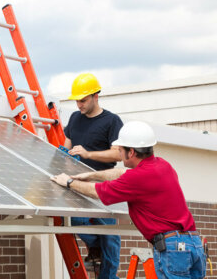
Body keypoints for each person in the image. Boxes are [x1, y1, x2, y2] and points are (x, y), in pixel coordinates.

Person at [52, 121, 206, 278]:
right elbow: (121, 173)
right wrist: (91, 175)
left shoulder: (137, 178)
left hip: (173, 249)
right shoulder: (163, 165)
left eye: (120, 150)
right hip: (193, 245)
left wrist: (69, 182)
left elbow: (97, 192)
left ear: (131, 152)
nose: (119, 153)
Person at [63, 73, 123, 279]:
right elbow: (65, 147)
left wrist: (88, 154)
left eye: (83, 100)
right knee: (76, 221)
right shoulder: (74, 118)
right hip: (78, 183)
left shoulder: (112, 121)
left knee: (110, 237)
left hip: (103, 183)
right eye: (77, 100)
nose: (79, 104)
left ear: (96, 96)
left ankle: (108, 277)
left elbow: (118, 153)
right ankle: (96, 247)